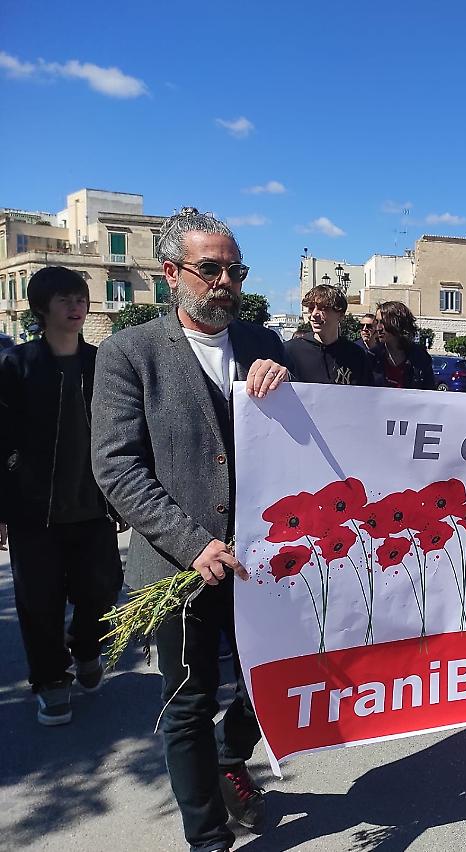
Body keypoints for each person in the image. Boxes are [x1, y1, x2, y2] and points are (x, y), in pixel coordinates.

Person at [91, 208, 290, 852]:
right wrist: (191, 542)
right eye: (212, 269)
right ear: (172, 272)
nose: (225, 281)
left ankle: (232, 757)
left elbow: (310, 440)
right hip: (179, 566)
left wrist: (289, 389)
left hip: (265, 559)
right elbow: (116, 466)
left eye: (235, 270)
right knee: (188, 702)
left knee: (272, 682)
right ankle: (207, 835)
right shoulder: (131, 353)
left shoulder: (266, 344)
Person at [0, 266, 124, 726]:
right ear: (41, 308)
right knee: (40, 602)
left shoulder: (101, 363)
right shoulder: (17, 365)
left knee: (102, 590)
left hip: (93, 507)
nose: (76, 307)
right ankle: (50, 681)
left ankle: (87, 645)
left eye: (80, 298)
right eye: (65, 300)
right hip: (35, 511)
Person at [286, 285, 375, 385]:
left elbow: (368, 396)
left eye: (323, 308)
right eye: (311, 308)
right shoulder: (289, 352)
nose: (314, 314)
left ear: (340, 315)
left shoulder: (357, 355)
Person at [373, 300, 436, 389]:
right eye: (377, 322)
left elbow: (429, 391)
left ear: (397, 324)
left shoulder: (420, 357)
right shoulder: (372, 357)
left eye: (383, 322)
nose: (378, 328)